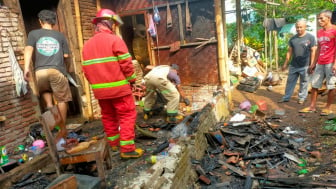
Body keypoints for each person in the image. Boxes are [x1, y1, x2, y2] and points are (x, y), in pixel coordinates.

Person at [81, 9, 143, 159]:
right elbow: (126, 64)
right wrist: (132, 81)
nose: (114, 26)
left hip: (101, 92)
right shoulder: (115, 40)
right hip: (119, 89)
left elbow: (86, 71)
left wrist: (97, 86)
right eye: (113, 23)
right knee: (127, 115)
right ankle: (127, 149)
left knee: (108, 116)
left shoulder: (87, 45)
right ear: (108, 22)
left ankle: (114, 145)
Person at [24, 9, 72, 125]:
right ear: (54, 22)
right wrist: (66, 68)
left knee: (46, 91)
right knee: (62, 99)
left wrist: (26, 68)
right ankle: (63, 127)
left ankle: (50, 108)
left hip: (40, 71)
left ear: (40, 21)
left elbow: (28, 49)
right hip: (56, 70)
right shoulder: (60, 36)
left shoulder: (33, 34)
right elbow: (66, 55)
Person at [300, 10, 336, 116]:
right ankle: (312, 107)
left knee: (331, 85)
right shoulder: (319, 32)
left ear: (328, 18)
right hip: (320, 62)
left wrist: (335, 63)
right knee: (315, 84)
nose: (319, 20)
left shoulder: (335, 30)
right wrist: (313, 63)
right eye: (318, 19)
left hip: (331, 62)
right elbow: (319, 48)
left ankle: (327, 107)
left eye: (321, 18)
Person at [278, 19, 317, 104]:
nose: (298, 29)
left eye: (300, 27)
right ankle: (286, 97)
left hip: (305, 65)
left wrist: (312, 64)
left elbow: (313, 51)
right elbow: (289, 51)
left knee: (304, 82)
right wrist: (285, 63)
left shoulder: (310, 37)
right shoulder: (293, 39)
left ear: (305, 27)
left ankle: (302, 97)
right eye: (297, 27)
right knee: (290, 81)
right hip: (294, 65)